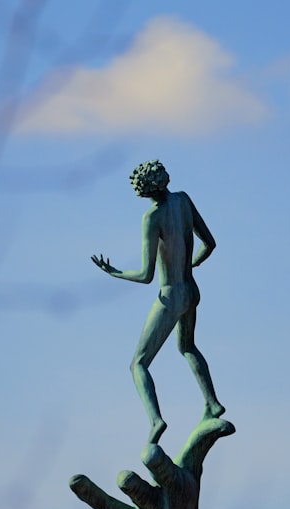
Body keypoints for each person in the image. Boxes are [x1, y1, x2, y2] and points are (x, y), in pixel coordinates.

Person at [92, 160, 225, 443]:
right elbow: (209, 244)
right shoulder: (183, 200)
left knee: (138, 364)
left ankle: (156, 421)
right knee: (187, 347)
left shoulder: (152, 217)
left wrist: (114, 272)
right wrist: (191, 266)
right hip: (191, 290)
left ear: (144, 190)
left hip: (171, 295)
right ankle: (212, 402)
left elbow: (145, 275)